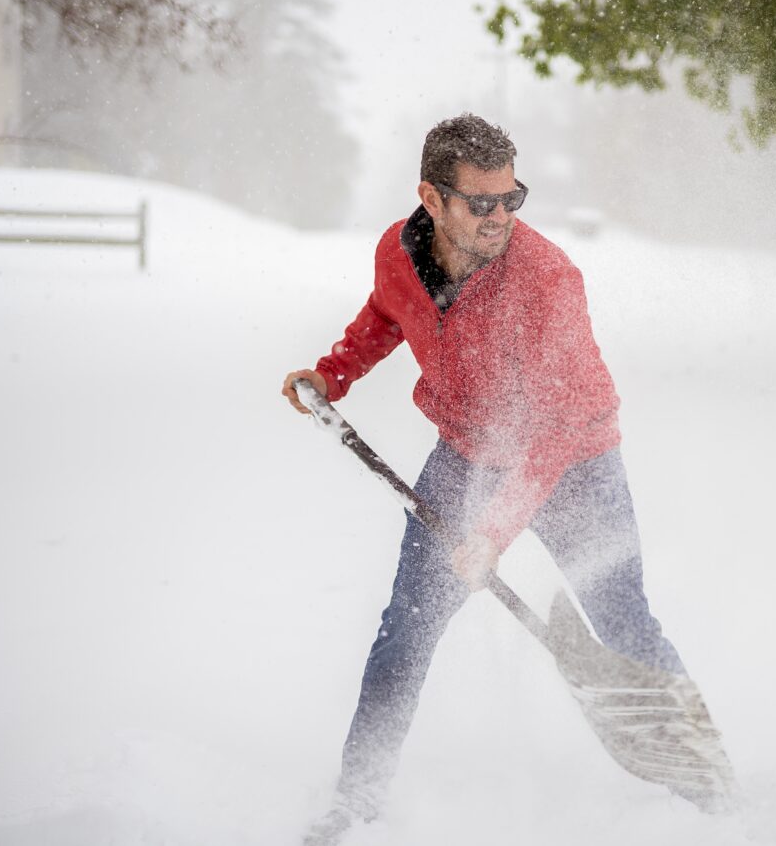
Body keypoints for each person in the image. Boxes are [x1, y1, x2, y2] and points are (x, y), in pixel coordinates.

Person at [282, 114, 688, 845]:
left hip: (575, 461)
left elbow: (553, 431)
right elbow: (388, 313)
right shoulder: (399, 253)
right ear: (432, 200)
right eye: (481, 203)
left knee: (623, 622)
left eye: (511, 198)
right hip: (467, 450)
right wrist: (334, 374)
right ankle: (358, 796)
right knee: (407, 627)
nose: (501, 217)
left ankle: (704, 784)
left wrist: (492, 535)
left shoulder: (548, 279)